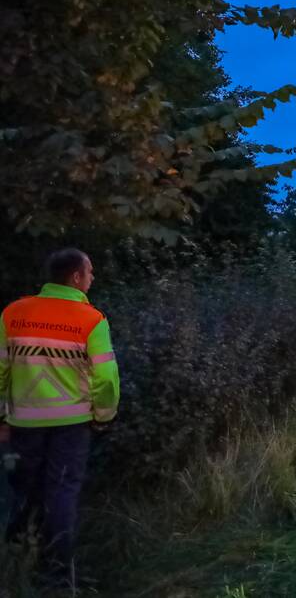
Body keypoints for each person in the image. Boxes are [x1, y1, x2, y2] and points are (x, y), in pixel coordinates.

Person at [0, 248, 120, 588]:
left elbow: (1, 370)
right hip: (72, 425)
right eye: (90, 272)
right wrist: (103, 415)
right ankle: (56, 577)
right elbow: (106, 378)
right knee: (62, 493)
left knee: (24, 491)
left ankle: (15, 562)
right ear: (76, 277)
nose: (93, 277)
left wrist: (1, 416)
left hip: (23, 423)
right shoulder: (91, 320)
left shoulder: (13, 313)